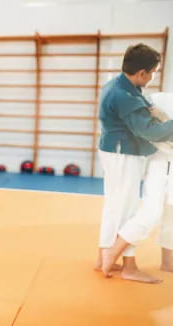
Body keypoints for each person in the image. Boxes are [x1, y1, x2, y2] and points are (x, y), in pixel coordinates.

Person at [97, 43, 173, 283]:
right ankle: (127, 266)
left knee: (115, 206)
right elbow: (150, 132)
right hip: (123, 155)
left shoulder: (119, 84)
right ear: (142, 73)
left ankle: (102, 257)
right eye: (152, 73)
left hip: (116, 151)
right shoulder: (125, 94)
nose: (152, 78)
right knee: (128, 208)